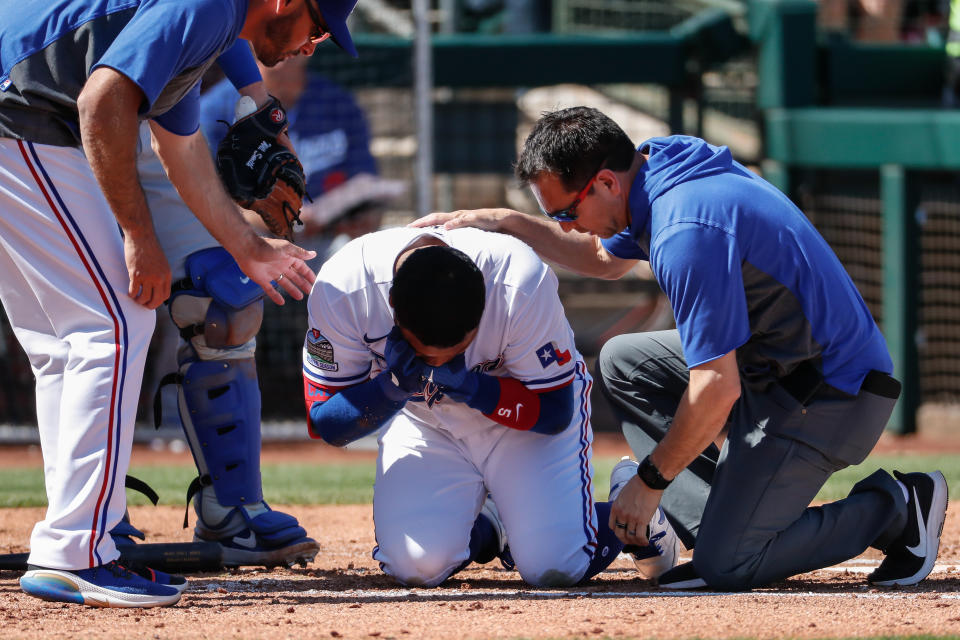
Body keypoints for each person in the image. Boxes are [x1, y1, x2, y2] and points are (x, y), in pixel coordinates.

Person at [412, 106, 948, 591]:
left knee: (728, 565)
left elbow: (717, 386)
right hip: (777, 368)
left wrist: (650, 481)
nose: (565, 226)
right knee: (625, 362)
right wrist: (505, 223)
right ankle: (722, 519)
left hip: (833, 393)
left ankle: (896, 508)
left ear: (604, 182)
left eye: (565, 213)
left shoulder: (684, 229)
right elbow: (604, 258)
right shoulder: (660, 166)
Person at [0, 0, 358, 608]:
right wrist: (139, 237)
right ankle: (77, 549)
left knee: (68, 343)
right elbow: (101, 102)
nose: (313, 45)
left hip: (25, 118)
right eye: (317, 26)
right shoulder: (211, 7)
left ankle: (86, 533)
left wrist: (247, 247)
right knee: (112, 326)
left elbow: (180, 146)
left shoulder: (207, 27)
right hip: (22, 115)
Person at [302, 226, 684, 588]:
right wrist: (392, 387)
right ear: (391, 307)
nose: (435, 364)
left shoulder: (517, 280)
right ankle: (496, 525)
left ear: (483, 303)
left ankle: (630, 515)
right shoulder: (345, 287)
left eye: (453, 352)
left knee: (555, 566)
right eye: (424, 353)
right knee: (416, 566)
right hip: (424, 419)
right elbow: (328, 424)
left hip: (521, 418)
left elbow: (554, 413)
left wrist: (474, 387)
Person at [197, 54, 405, 262]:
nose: (284, 56)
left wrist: (363, 218)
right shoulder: (216, 109)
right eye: (273, 36)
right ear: (251, 49)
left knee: (380, 249)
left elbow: (363, 178)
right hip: (256, 239)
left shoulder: (338, 103)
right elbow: (207, 195)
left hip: (326, 239)